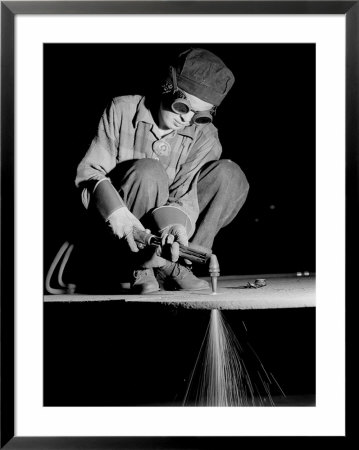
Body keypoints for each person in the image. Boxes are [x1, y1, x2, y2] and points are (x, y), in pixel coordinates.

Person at [75, 48, 249, 294]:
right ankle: (141, 264)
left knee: (230, 175)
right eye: (183, 107)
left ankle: (173, 262)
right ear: (167, 87)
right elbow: (89, 176)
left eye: (199, 115)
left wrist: (173, 227)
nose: (187, 120)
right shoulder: (122, 109)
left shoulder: (206, 136)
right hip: (116, 233)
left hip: (167, 235)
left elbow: (184, 196)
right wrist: (120, 217)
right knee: (149, 170)